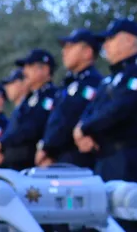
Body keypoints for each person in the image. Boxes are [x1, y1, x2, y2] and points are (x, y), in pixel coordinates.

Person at [76, 19, 137, 199]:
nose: (105, 45)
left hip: (131, 159)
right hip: (105, 158)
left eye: (111, 39)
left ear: (130, 40)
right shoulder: (109, 80)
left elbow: (120, 109)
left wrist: (84, 128)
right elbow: (91, 109)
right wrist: (81, 128)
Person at [38, 29, 104, 168]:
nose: (64, 52)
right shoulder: (69, 83)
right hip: (60, 158)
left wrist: (47, 149)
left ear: (87, 52)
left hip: (78, 160)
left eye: (70, 47)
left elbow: (70, 118)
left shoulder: (92, 82)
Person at [0, 50, 57, 169]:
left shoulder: (50, 96)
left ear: (45, 69)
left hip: (33, 164)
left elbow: (33, 127)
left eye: (30, 66)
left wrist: (2, 143)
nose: (25, 71)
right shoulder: (30, 99)